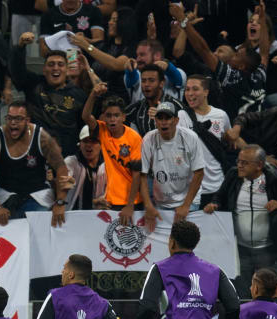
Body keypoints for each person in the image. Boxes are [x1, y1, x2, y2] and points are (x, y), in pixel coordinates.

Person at [204, 145, 277, 299]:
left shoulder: (275, 179)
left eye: (244, 163)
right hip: (240, 249)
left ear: (259, 165)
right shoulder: (233, 176)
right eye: (238, 161)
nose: (239, 165)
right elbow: (219, 197)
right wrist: (214, 204)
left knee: (267, 294)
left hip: (268, 250)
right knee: (242, 294)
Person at [0, 101, 68, 225]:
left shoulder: (42, 137)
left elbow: (61, 167)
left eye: (18, 119)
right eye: (9, 118)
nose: (13, 123)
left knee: (40, 227)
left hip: (37, 196)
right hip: (7, 196)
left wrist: (60, 202)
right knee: (3, 229)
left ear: (27, 120)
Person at [11, 33, 88, 157]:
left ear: (67, 69)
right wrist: (20, 47)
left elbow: (83, 128)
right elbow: (17, 71)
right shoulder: (34, 85)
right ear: (44, 69)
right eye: (51, 64)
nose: (55, 68)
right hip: (36, 154)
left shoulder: (79, 96)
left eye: (60, 64)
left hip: (67, 157)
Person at [139, 101, 205, 233]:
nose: (164, 122)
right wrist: (148, 205)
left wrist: (186, 206)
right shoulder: (148, 139)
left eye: (168, 118)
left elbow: (199, 172)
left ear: (176, 120)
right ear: (155, 121)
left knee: (185, 241)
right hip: (161, 202)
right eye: (160, 118)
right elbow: (142, 175)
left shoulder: (190, 137)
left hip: (189, 201)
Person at [81, 84, 143, 223]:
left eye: (116, 115)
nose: (112, 119)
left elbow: (137, 174)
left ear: (123, 117)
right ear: (104, 117)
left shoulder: (134, 138)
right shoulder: (102, 130)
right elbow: (85, 116)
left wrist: (130, 205)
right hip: (111, 201)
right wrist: (93, 95)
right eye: (108, 115)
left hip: (133, 201)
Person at [178, 75, 231, 207]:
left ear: (206, 92)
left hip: (217, 187)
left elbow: (229, 140)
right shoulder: (180, 116)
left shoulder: (221, 115)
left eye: (195, 89)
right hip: (190, 190)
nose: (190, 94)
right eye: (187, 89)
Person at [125, 65, 185, 137]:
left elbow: (185, 132)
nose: (146, 84)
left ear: (161, 83)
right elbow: (119, 117)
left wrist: (161, 115)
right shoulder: (137, 108)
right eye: (143, 81)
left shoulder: (177, 106)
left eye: (151, 80)